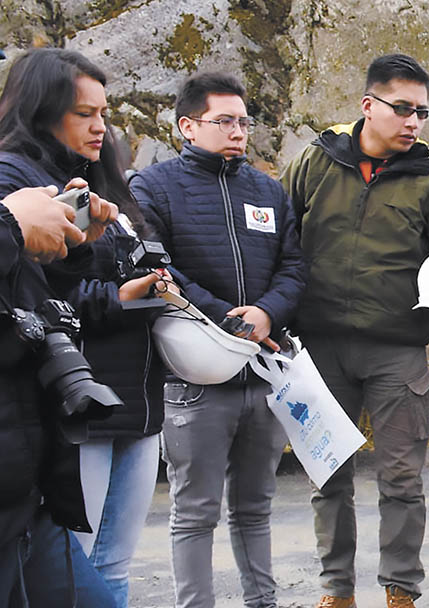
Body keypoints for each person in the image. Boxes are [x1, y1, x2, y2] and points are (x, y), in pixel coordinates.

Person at [278, 53, 429, 608]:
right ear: (369, 106)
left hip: (397, 353)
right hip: (318, 351)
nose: (414, 121)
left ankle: (401, 592)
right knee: (328, 477)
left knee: (402, 481)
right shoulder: (314, 163)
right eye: (403, 109)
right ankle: (336, 592)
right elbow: (279, 242)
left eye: (423, 112)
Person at [131, 70, 306, 608]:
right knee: (195, 511)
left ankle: (263, 603)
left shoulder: (268, 191)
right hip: (195, 375)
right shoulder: (152, 187)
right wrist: (219, 317)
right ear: (187, 125)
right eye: (224, 120)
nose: (238, 131)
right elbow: (154, 266)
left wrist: (266, 313)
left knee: (256, 506)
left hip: (262, 371)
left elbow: (295, 267)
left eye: (244, 121)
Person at [0, 47, 122, 607]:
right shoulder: (12, 175)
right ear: (39, 109)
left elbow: (26, 290)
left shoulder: (54, 176)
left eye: (104, 112)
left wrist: (73, 248)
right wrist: (12, 225)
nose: (101, 127)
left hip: (24, 482)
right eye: (84, 112)